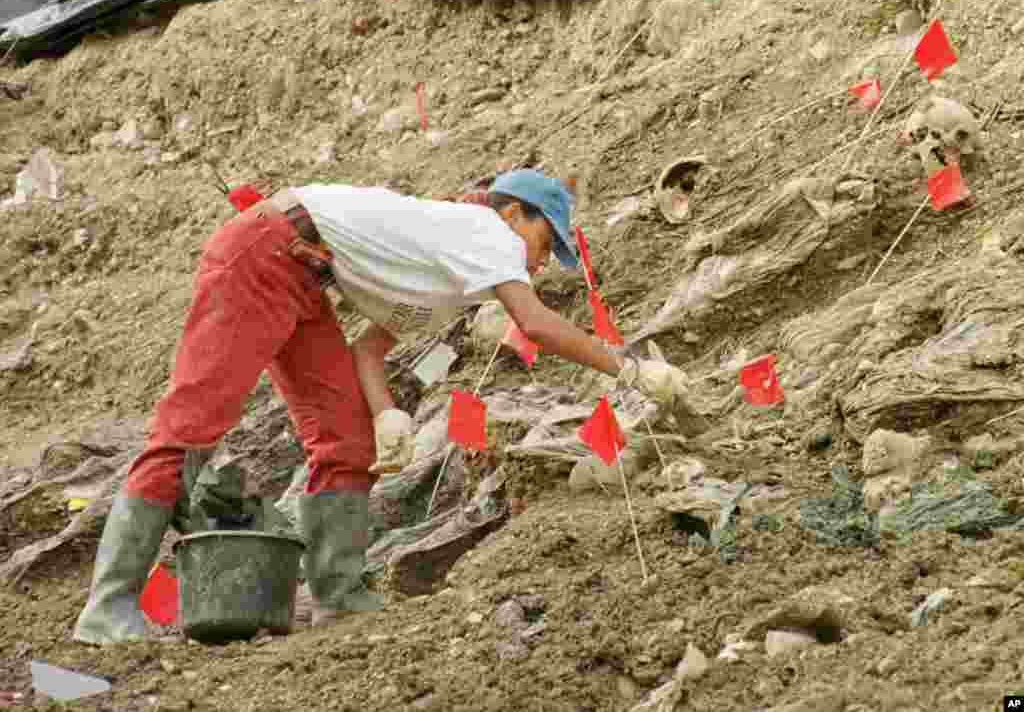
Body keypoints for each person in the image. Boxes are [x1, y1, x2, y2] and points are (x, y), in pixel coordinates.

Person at [73, 169, 691, 644]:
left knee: (345, 441)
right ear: (511, 212)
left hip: (301, 273)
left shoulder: (451, 274)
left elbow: (370, 351)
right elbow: (536, 325)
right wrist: (630, 367)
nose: (537, 258)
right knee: (191, 425)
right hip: (267, 251)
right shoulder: (483, 233)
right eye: (541, 238)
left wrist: (384, 412)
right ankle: (110, 607)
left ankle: (338, 593)